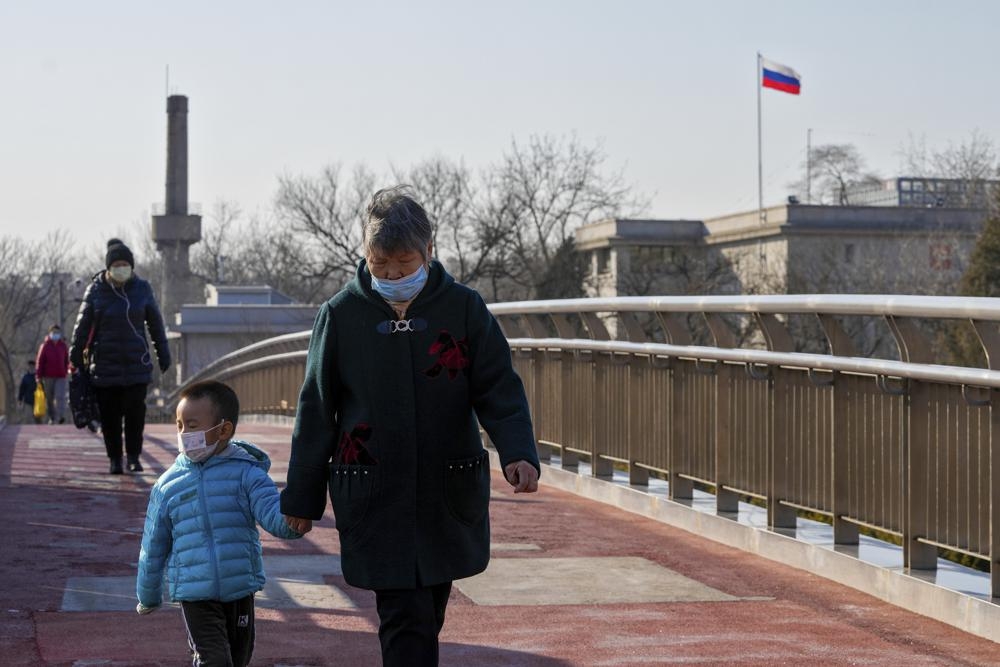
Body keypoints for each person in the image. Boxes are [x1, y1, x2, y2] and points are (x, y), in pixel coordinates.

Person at [280, 186, 541, 666]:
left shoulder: (463, 308)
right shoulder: (340, 315)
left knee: (428, 607)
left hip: (446, 484)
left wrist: (518, 451)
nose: (393, 274)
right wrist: (301, 498)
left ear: (429, 251)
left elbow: (498, 386)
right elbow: (317, 408)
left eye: (403, 262)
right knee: (404, 614)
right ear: (365, 256)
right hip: (374, 486)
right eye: (380, 264)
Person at [136, 380, 302, 666]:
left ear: (223, 430)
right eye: (179, 426)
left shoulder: (247, 473)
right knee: (215, 660)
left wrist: (295, 521)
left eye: (192, 425)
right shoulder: (168, 486)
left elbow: (272, 515)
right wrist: (148, 594)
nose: (183, 434)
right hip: (194, 592)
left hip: (239, 587)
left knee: (239, 657)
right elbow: (153, 546)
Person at [69, 239, 171, 474]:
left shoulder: (142, 289)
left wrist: (162, 354)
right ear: (108, 267)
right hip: (105, 365)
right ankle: (115, 458)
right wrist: (75, 354)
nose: (121, 268)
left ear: (132, 266)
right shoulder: (96, 290)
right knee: (110, 417)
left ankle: (133, 456)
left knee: (136, 415)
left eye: (125, 264)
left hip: (137, 364)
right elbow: (82, 326)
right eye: (116, 264)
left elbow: (156, 324)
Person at [35, 324, 70, 424]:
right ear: (50, 333)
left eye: (57, 332)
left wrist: (68, 369)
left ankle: (61, 416)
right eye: (53, 332)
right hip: (48, 376)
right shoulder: (45, 346)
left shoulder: (63, 346)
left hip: (61, 375)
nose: (55, 334)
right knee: (49, 398)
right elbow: (40, 361)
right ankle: (52, 417)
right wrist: (38, 376)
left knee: (60, 396)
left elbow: (66, 360)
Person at [17, 360, 40, 424]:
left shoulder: (38, 377)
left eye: (32, 366)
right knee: (28, 418)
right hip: (28, 401)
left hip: (37, 401)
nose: (31, 368)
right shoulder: (25, 377)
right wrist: (20, 399)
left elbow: (43, 388)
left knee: (38, 419)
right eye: (30, 366)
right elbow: (22, 389)